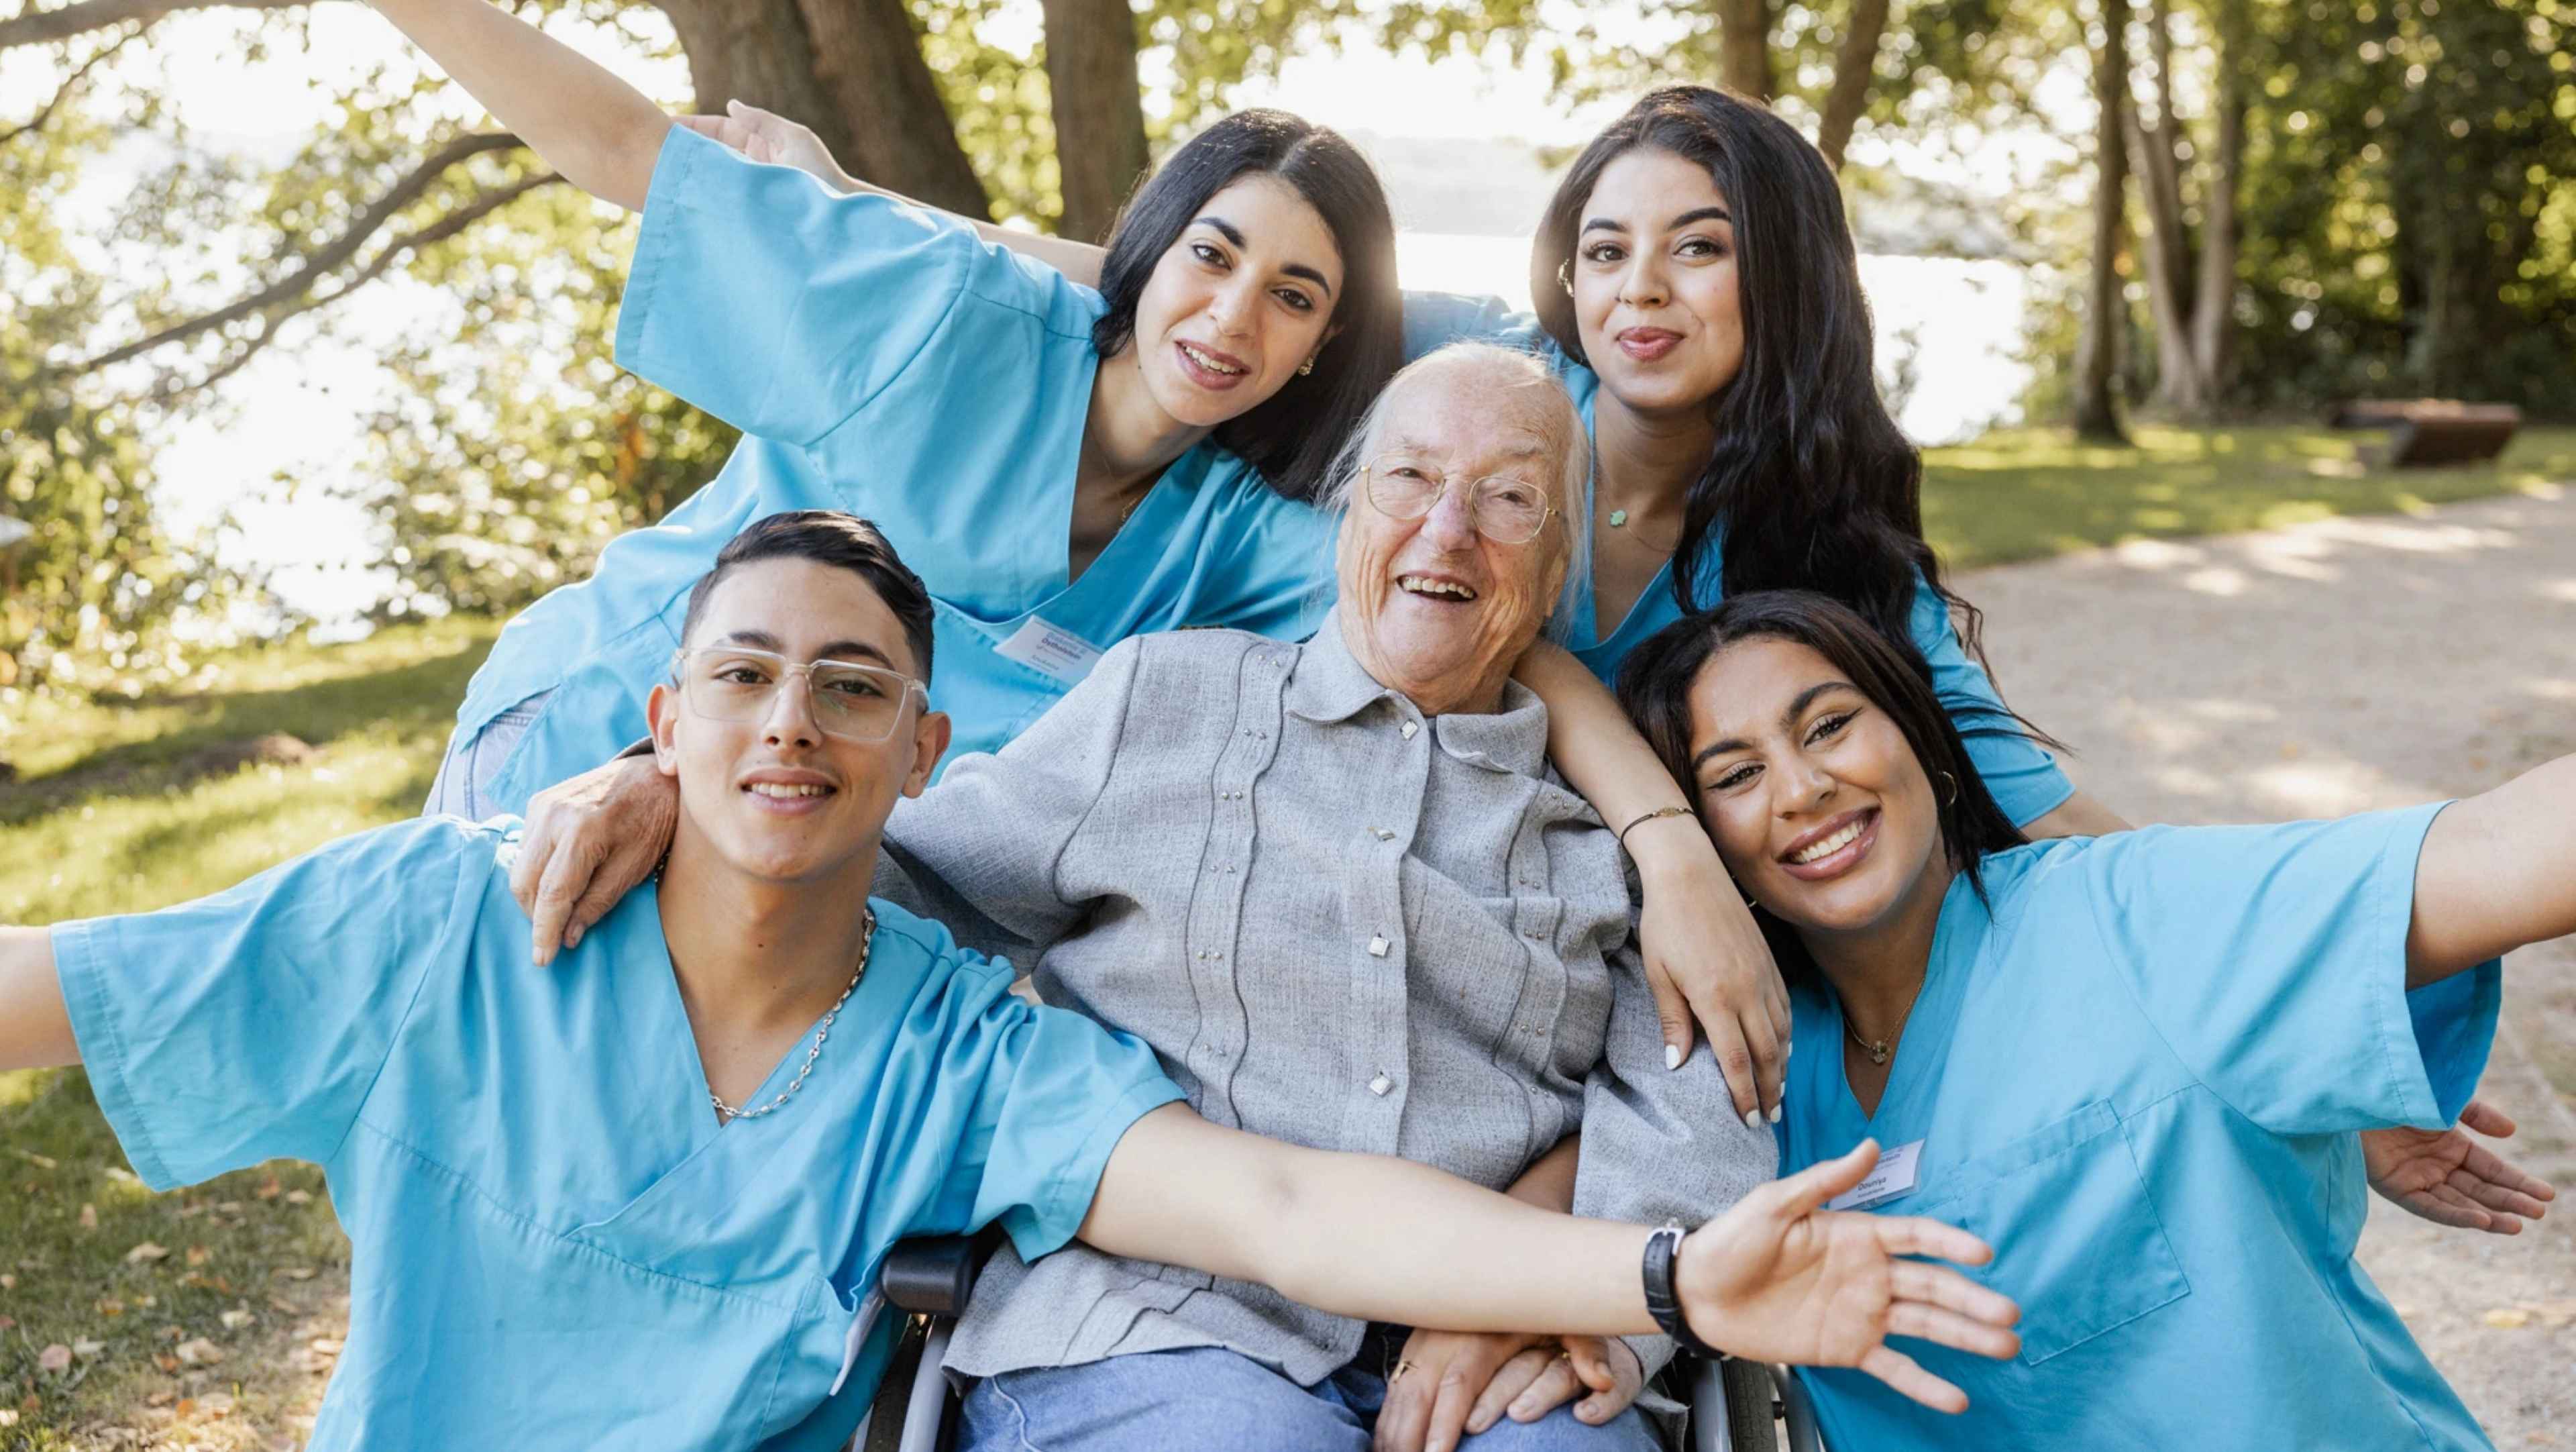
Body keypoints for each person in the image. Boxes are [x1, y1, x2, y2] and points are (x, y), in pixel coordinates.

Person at [0, 513, 2025, 1452]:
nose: (791, 724)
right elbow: (59, 989)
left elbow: (1286, 1202)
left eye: (852, 687)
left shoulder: (955, 1047)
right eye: (741, 677)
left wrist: (1664, 1279)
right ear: (663, 720)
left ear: (928, 760)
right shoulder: (443, 925)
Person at [506, 348, 1811, 1451]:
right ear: (1351, 504)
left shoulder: (1609, 826)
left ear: (1564, 546)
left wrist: (1574, 1304)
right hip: (1158, 1321)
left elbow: (1694, 1107)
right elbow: (882, 868)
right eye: (1410, 477)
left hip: (1508, 1332)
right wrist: (666, 789)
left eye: (1509, 497)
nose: (1447, 528)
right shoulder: (1165, 700)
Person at [379, 0, 1398, 820]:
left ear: (1326, 346)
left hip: (788, 840)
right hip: (593, 734)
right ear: (1153, 245)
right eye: (1211, 255)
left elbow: (1445, 587)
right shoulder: (947, 322)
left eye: (1293, 296)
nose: (1230, 319)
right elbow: (627, 153)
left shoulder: (1237, 533)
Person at [1611, 586, 2567, 1448]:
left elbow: (2499, 850)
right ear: (1704, 852)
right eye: (1734, 776)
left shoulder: (2132, 916)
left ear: (1923, 741)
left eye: (1827, 728)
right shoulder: (1744, 1069)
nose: (1801, 789)